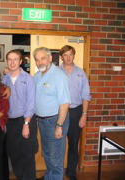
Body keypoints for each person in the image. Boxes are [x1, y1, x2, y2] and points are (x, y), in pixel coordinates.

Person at [33, 47, 71, 180]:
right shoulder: (37, 75)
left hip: (55, 120)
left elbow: (65, 104)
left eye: (43, 58)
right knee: (48, 154)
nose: (40, 62)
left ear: (50, 58)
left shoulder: (59, 76)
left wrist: (59, 125)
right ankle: (50, 176)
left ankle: (55, 177)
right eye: (37, 60)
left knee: (55, 157)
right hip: (42, 121)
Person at [2, 50, 38, 180]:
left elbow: (31, 103)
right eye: (10, 59)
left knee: (27, 155)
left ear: (21, 61)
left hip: (26, 120)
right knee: (14, 154)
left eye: (15, 59)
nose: (12, 62)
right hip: (10, 123)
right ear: (7, 61)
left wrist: (26, 124)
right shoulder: (3, 80)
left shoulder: (28, 79)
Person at [59, 45, 91, 180]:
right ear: (61, 57)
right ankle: (57, 172)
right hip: (59, 112)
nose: (68, 57)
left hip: (75, 112)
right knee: (58, 144)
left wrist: (84, 115)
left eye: (70, 54)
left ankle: (71, 172)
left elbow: (86, 95)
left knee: (73, 144)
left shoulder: (81, 73)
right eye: (65, 55)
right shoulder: (55, 71)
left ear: (74, 55)